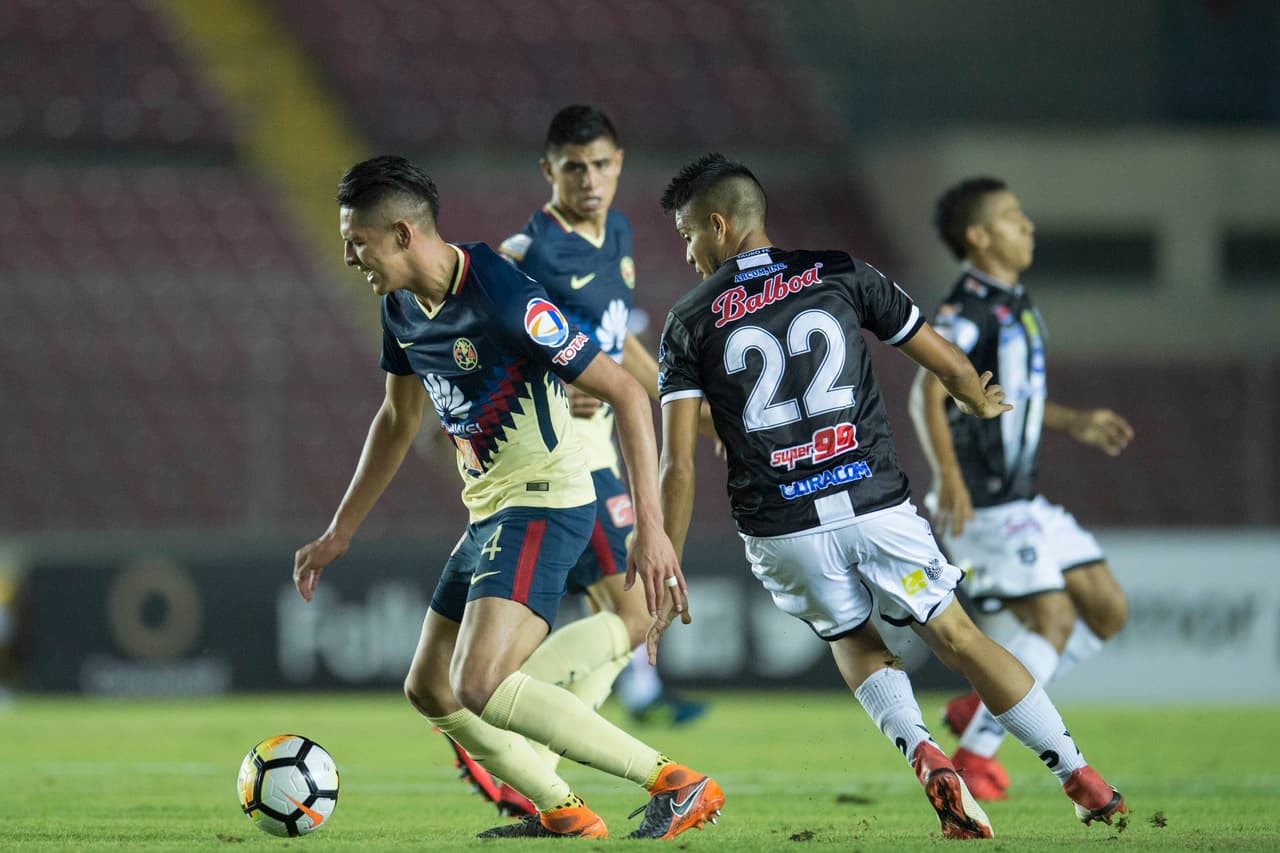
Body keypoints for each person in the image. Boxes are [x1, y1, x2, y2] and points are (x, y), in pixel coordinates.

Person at [648, 153, 1126, 840]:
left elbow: (677, 462)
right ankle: (1080, 777)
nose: (688, 251)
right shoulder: (842, 272)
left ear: (719, 225)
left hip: (782, 525)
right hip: (874, 501)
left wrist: (668, 554)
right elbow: (942, 359)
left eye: (689, 233)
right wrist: (975, 396)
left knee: (854, 638)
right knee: (958, 634)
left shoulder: (688, 319)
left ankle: (926, 753)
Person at [292, 155, 723, 840]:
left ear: (403, 233)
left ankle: (675, 781)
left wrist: (651, 525)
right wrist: (339, 529)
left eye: (358, 240)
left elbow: (626, 390)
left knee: (481, 678)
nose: (348, 256)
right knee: (429, 685)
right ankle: (563, 810)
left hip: (546, 502)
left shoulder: (500, 293)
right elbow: (398, 420)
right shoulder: (400, 307)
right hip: (491, 509)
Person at [437, 105, 709, 820]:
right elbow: (484, 349)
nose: (590, 180)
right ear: (548, 170)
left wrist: (691, 403)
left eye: (602, 166)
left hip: (605, 450)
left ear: (620, 165)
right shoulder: (527, 253)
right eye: (574, 167)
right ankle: (501, 725)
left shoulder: (615, 234)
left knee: (630, 617)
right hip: (566, 458)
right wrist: (556, 382)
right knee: (633, 611)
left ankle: (531, 774)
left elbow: (619, 346)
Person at [908, 176, 1133, 800]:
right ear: (978, 237)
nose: (1027, 225)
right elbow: (927, 387)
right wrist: (948, 474)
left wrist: (1074, 421)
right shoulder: (970, 306)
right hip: (984, 501)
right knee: (1052, 616)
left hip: (1023, 499)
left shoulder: (1016, 301)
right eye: (1011, 217)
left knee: (1108, 608)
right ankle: (977, 755)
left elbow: (1016, 400)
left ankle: (984, 705)